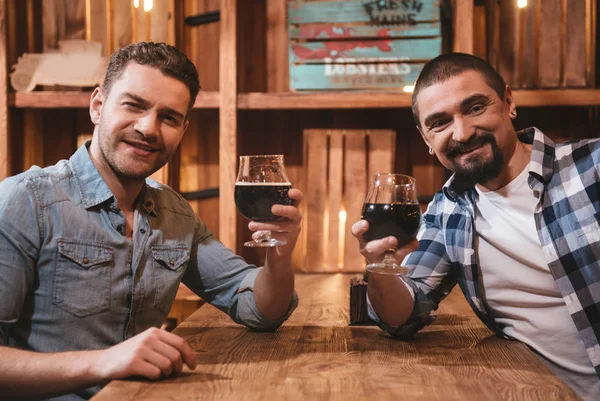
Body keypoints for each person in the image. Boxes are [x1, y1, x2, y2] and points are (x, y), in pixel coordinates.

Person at [0, 42, 302, 401]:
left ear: (183, 129)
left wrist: (280, 254)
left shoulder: (175, 215)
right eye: (134, 105)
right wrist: (103, 363)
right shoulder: (26, 201)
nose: (148, 128)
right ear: (98, 106)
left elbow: (258, 309)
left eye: (169, 117)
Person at [352, 53, 600, 400]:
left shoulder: (591, 170)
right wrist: (379, 267)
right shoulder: (447, 210)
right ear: (426, 139)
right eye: (439, 123)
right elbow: (401, 316)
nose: (463, 132)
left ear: (509, 103)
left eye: (475, 108)